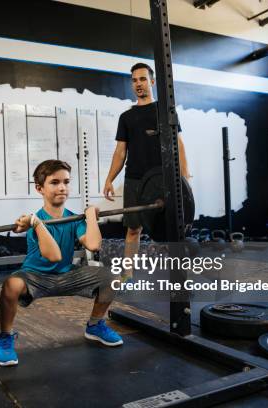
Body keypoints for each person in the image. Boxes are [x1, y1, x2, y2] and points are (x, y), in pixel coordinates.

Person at [0, 159, 121, 367]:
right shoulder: (35, 220)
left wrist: (90, 217)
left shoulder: (73, 219)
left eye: (66, 181)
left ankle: (95, 325)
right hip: (35, 277)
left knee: (112, 277)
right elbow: (52, 255)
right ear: (40, 189)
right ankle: (5, 337)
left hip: (67, 275)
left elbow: (93, 244)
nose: (62, 187)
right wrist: (35, 223)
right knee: (11, 284)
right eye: (54, 182)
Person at [103, 62, 189, 282]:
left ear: (152, 81)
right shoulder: (127, 117)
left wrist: (185, 178)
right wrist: (109, 179)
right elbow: (120, 152)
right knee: (133, 230)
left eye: (142, 79)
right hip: (135, 179)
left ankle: (177, 273)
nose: (138, 84)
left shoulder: (165, 111)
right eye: (134, 80)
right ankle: (127, 274)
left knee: (170, 229)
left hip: (163, 180)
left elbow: (178, 145)